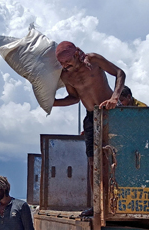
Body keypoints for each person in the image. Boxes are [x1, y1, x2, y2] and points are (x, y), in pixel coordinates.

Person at [53, 41, 126, 217]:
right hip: (91, 117)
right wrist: (53, 103)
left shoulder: (93, 60)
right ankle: (97, 205)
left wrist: (115, 97)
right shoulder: (66, 76)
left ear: (77, 54)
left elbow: (119, 73)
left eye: (68, 61)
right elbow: (73, 98)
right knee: (94, 162)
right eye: (62, 64)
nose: (65, 66)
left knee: (121, 158)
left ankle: (123, 201)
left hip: (113, 113)